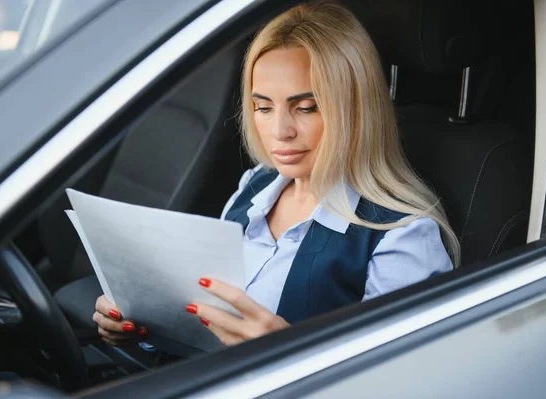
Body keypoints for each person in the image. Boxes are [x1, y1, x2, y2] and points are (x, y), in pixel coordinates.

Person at [92, 0, 460, 348]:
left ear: (355, 110)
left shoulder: (402, 237)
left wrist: (289, 349)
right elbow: (205, 323)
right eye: (263, 107)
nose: (280, 130)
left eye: (305, 108)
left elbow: (401, 378)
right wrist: (142, 326)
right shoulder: (253, 187)